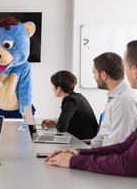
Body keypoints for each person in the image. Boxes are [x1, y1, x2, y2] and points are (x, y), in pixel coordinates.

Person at [45, 41, 137, 177]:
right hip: (104, 161)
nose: (124, 71)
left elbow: (124, 159)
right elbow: (122, 146)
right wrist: (79, 152)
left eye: (125, 65)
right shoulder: (114, 98)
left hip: (113, 173)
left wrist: (75, 160)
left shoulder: (124, 101)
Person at [90, 52, 137, 147]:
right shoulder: (113, 98)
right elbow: (103, 135)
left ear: (103, 74)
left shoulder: (124, 101)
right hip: (101, 154)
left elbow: (117, 147)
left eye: (94, 73)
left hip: (110, 158)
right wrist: (82, 153)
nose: (93, 77)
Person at [42, 70, 98, 140]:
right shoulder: (78, 96)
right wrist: (55, 122)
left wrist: (57, 124)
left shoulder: (70, 100)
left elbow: (61, 128)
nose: (52, 88)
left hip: (82, 142)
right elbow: (69, 121)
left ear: (58, 89)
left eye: (53, 86)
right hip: (84, 138)